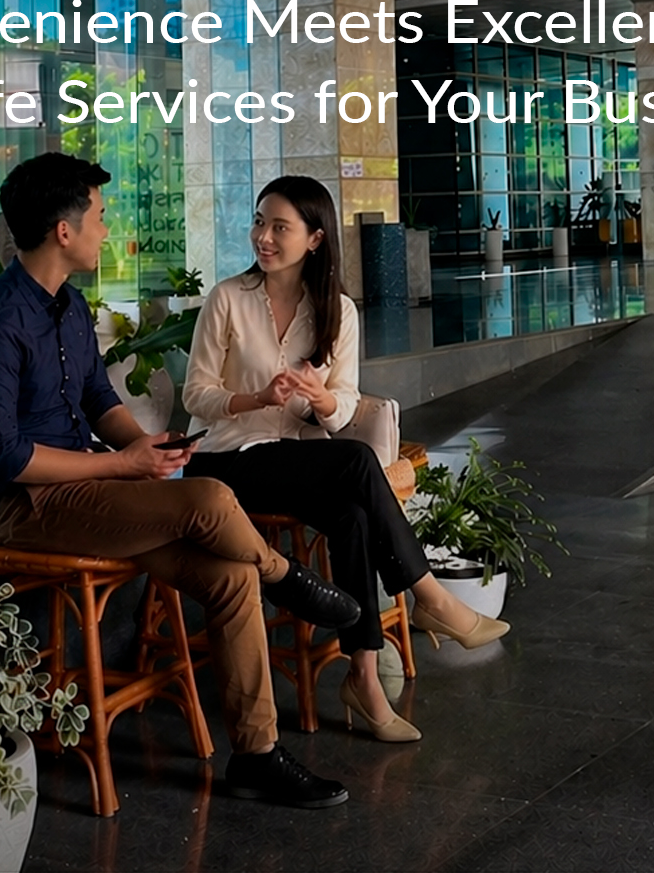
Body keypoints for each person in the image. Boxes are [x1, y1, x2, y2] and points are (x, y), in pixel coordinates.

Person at [0, 153, 361, 809]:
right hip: (28, 508)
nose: (107, 229)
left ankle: (256, 756)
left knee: (230, 577)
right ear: (64, 231)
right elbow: (8, 458)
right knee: (212, 497)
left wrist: (143, 446)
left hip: (91, 496)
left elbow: (99, 400)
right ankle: (286, 577)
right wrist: (122, 464)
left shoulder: (67, 307)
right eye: (100, 217)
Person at [181, 176, 510, 743]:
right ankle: (430, 596)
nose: (263, 237)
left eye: (279, 227)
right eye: (259, 223)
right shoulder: (227, 298)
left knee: (353, 517)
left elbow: (345, 407)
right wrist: (255, 399)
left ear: (315, 238)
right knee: (357, 463)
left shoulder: (337, 311)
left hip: (288, 461)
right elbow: (195, 396)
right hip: (224, 460)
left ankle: (364, 677)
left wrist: (320, 398)